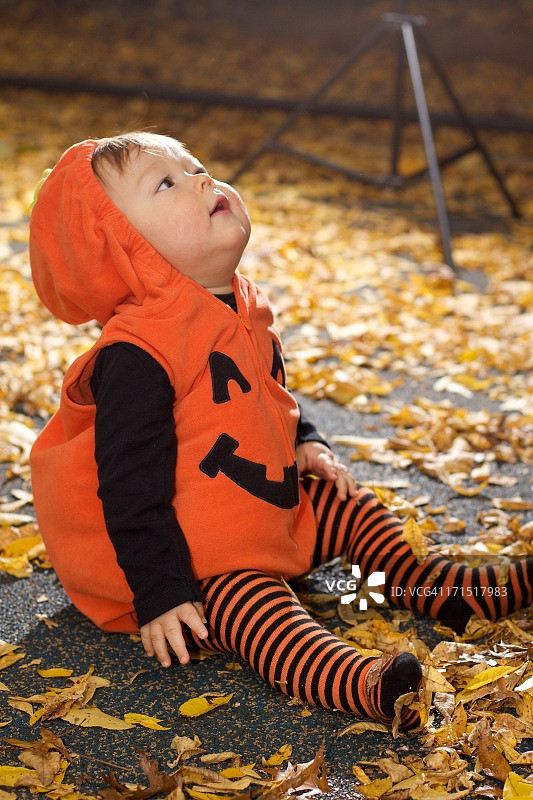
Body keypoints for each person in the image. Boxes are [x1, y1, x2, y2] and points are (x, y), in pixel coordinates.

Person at [29, 133, 533, 733]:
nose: (199, 180)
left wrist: (305, 442)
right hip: (184, 554)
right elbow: (127, 485)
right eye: (165, 183)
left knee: (351, 507)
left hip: (257, 507)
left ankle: (435, 588)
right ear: (126, 248)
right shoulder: (138, 355)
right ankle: (360, 683)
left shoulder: (241, 303)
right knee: (260, 610)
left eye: (196, 166)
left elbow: (265, 392)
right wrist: (161, 591)